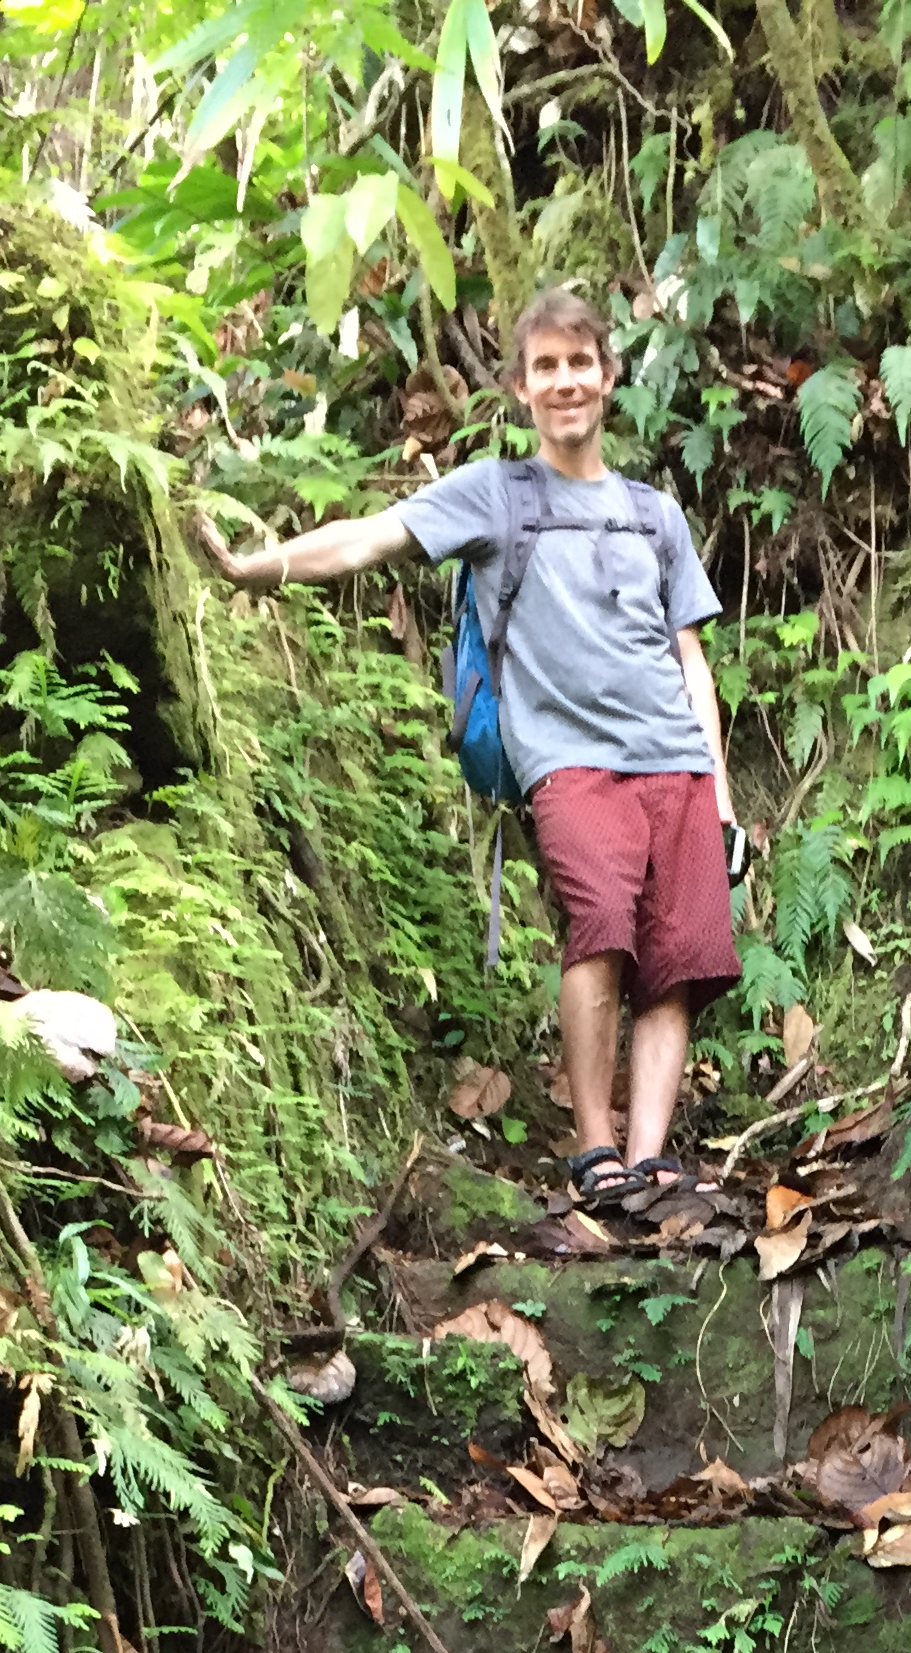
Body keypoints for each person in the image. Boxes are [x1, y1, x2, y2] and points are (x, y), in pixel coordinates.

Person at [203, 286, 743, 1210]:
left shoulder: (655, 515)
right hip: (568, 761)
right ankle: (595, 1149)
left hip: (676, 760)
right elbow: (371, 539)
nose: (566, 382)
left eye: (580, 363)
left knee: (674, 963)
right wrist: (263, 567)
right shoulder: (496, 495)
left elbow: (690, 659)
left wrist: (721, 788)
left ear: (608, 376)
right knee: (599, 932)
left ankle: (652, 1158)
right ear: (521, 387)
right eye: (547, 367)